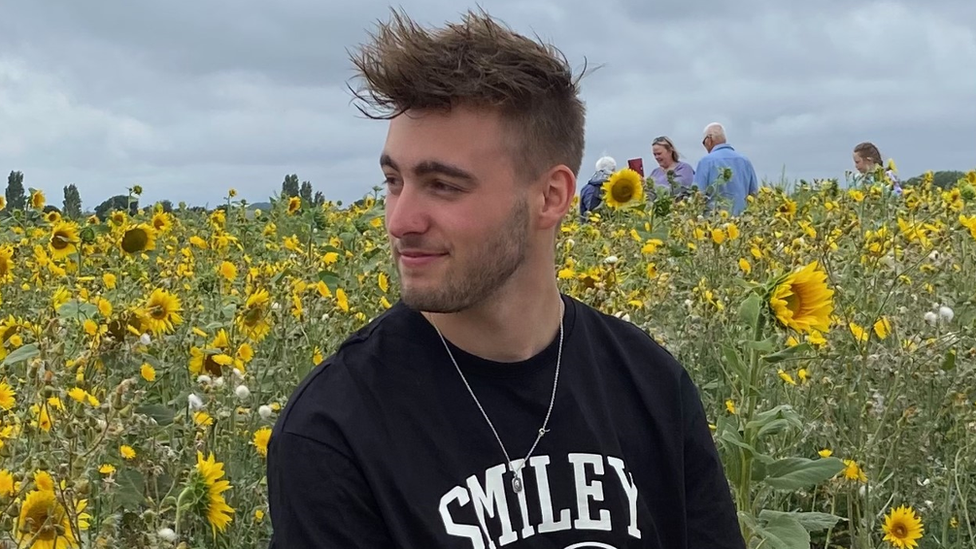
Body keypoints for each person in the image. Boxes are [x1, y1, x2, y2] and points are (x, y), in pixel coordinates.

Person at [266, 8, 745, 549]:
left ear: (552, 197)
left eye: (443, 185)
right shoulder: (334, 430)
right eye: (394, 181)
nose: (400, 221)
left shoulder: (652, 386)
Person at [692, 123, 759, 215]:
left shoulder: (706, 162)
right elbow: (754, 194)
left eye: (704, 142)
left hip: (714, 222)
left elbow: (697, 196)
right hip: (742, 221)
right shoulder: (745, 161)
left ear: (709, 139)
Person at [579, 155, 616, 221]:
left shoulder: (586, 189)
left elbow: (583, 214)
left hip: (589, 227)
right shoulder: (614, 188)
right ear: (613, 170)